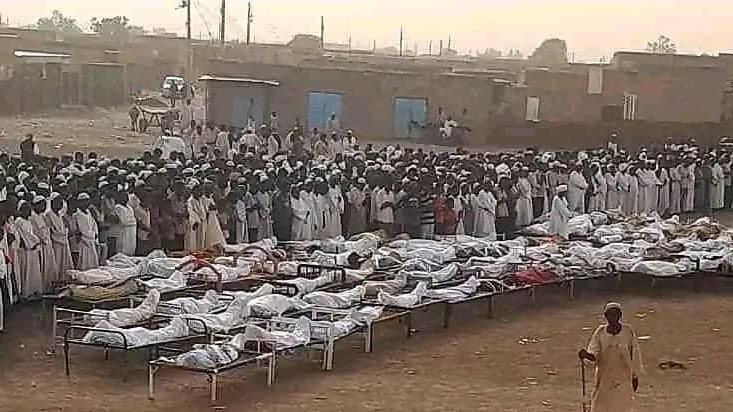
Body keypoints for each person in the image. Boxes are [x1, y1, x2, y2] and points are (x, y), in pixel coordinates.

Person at [579, 302, 642, 412]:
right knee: (601, 407)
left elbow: (634, 355)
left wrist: (634, 376)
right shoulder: (600, 332)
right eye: (610, 315)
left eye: (615, 314)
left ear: (620, 315)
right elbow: (594, 354)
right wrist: (586, 355)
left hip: (623, 379)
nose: (612, 318)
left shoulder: (628, 331)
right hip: (604, 379)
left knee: (623, 407)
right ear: (606, 316)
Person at [14, 200, 43, 299]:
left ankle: (33, 291)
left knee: (33, 272)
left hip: (32, 250)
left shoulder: (28, 221)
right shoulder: (19, 221)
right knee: (26, 271)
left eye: (29, 209)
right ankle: (25, 293)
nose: (28, 212)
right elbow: (24, 236)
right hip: (25, 250)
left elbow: (31, 234)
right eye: (26, 210)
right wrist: (34, 242)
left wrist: (35, 242)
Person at [30, 196, 57, 292]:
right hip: (41, 245)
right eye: (41, 205)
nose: (44, 207)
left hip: (47, 244)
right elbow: (38, 232)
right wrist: (44, 238)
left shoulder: (42, 216)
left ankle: (48, 287)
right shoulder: (33, 217)